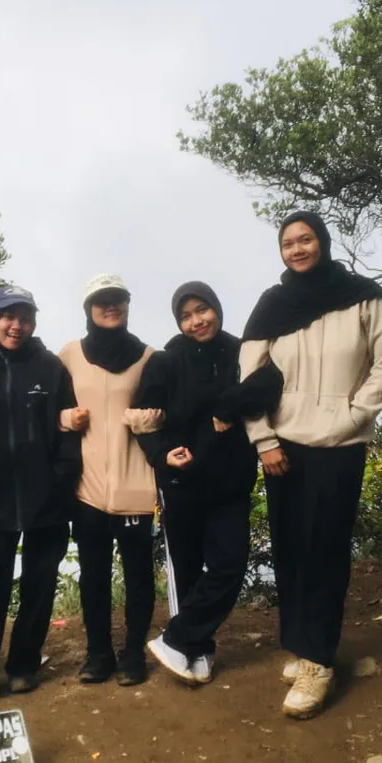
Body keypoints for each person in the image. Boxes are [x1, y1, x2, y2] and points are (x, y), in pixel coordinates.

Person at [240, 211, 382, 719]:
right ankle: (302, 644)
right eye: (288, 243)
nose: (297, 249)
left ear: (323, 242)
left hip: (341, 446)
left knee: (325, 551)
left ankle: (319, 662)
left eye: (305, 239)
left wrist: (351, 416)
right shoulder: (272, 305)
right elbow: (250, 379)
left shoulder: (365, 297)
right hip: (283, 445)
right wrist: (264, 440)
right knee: (290, 548)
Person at [133, 282, 284, 686]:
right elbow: (142, 419)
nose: (196, 321)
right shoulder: (166, 361)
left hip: (230, 484)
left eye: (203, 310)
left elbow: (271, 382)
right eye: (186, 316)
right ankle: (197, 649)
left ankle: (177, 639)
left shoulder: (242, 352)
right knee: (185, 572)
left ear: (217, 309)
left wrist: (229, 405)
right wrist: (162, 454)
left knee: (229, 565)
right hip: (181, 484)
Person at [0, 286, 83, 712]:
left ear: (33, 323)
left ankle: (24, 664)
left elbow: (68, 429)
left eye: (25, 318)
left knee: (39, 586)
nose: (16, 326)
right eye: (9, 317)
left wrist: (62, 478)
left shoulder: (51, 368)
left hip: (48, 499)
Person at [58, 274, 159, 687]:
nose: (111, 306)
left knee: (138, 575)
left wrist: (150, 418)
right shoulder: (69, 355)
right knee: (94, 574)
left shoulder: (149, 357)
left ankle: (133, 653)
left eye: (118, 299)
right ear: (89, 310)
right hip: (87, 487)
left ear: (128, 305)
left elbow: (166, 408)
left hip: (135, 483)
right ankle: (98, 654)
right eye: (102, 301)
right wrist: (66, 418)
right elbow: (48, 407)